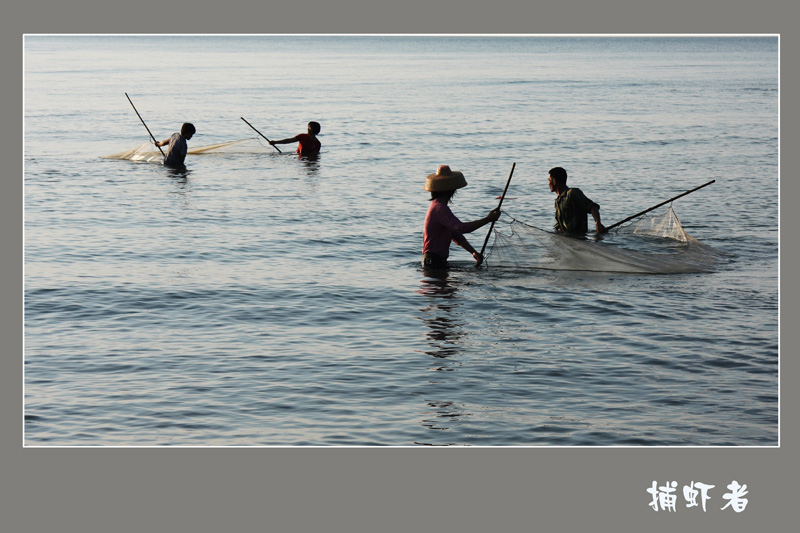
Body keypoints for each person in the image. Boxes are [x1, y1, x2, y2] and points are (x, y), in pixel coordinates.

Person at [422, 165, 501, 269]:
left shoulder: (439, 206)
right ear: (452, 190)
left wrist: (473, 252)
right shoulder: (439, 208)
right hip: (433, 262)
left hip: (436, 261)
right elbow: (461, 228)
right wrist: (488, 219)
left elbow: (456, 235)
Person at [548, 166, 607, 234]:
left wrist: (598, 224)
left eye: (549, 180)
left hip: (578, 239)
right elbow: (559, 226)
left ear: (554, 181)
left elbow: (592, 207)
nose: (548, 183)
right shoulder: (557, 201)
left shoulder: (572, 193)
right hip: (566, 239)